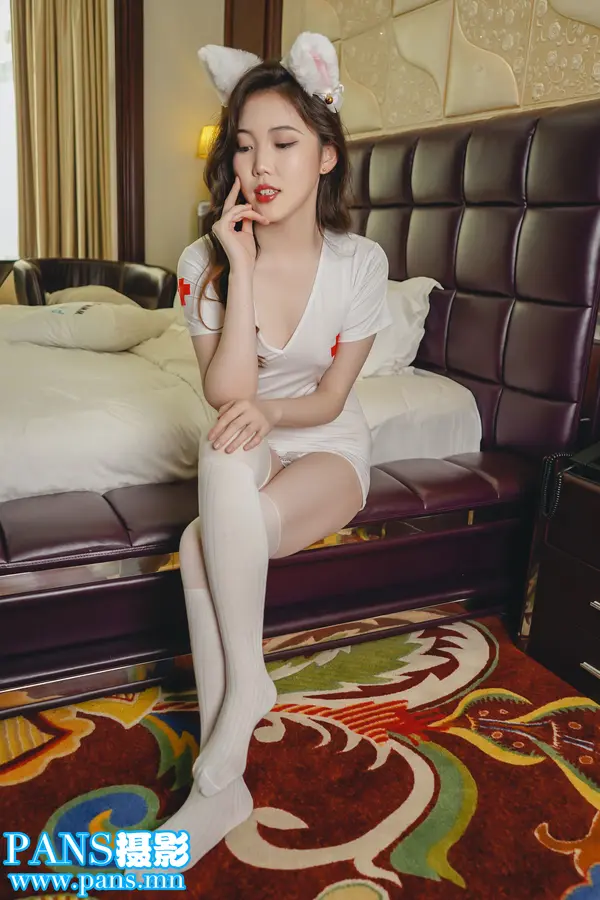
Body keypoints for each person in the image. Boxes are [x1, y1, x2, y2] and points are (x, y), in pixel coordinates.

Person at [152, 32, 393, 872]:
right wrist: (241, 266)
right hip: (249, 435)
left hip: (325, 445)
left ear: (326, 155)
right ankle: (241, 715)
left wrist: (268, 412)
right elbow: (226, 395)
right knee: (223, 451)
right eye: (245, 145)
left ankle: (220, 775)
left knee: (200, 540)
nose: (260, 164)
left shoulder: (362, 264)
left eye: (284, 143)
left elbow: (329, 399)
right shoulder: (202, 262)